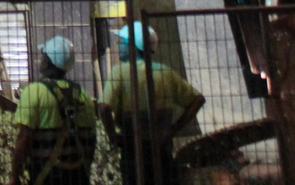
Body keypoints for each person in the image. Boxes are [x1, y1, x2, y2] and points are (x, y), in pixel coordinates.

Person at [100, 23, 204, 185]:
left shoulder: (119, 72)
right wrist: (174, 129)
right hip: (162, 149)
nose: (118, 45)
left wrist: (113, 135)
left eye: (123, 42)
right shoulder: (165, 72)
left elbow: (104, 107)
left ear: (134, 46)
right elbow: (198, 100)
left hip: (132, 150)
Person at [10, 36, 98, 185]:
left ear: (47, 61)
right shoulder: (83, 95)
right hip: (78, 178)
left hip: (46, 178)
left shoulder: (33, 92)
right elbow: (92, 138)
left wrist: (14, 176)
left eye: (43, 57)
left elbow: (24, 138)